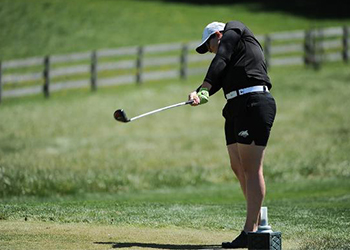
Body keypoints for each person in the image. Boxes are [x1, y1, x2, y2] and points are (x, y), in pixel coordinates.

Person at [188, 21, 277, 249]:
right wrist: (199, 92)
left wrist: (206, 85)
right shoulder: (228, 57)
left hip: (254, 102)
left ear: (218, 35)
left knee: (251, 167)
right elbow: (217, 77)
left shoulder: (235, 29)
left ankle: (250, 231)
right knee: (237, 166)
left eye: (210, 46)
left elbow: (221, 57)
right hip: (235, 106)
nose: (211, 51)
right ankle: (256, 222)